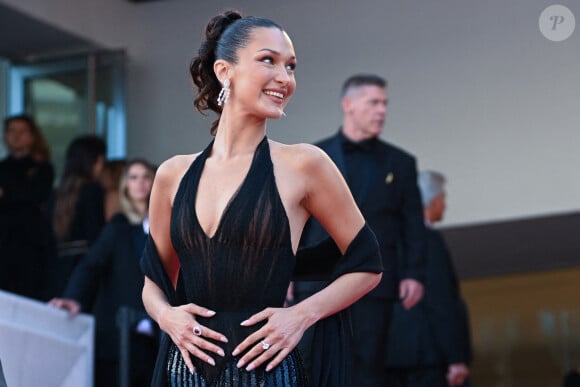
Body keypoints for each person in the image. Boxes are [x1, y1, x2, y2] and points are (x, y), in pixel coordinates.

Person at [140, 10, 383, 387]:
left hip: (266, 373)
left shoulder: (305, 164)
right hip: (184, 373)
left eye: (291, 66)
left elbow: (368, 264)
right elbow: (154, 281)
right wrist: (166, 316)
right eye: (268, 60)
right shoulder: (172, 175)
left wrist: (301, 315)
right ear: (225, 71)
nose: (284, 78)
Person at [293, 74, 427, 386]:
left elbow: (412, 224)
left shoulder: (401, 162)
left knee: (369, 370)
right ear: (348, 105)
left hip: (374, 280)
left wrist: (414, 273)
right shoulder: (313, 158)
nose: (382, 110)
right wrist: (287, 271)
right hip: (316, 282)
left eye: (384, 104)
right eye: (374, 103)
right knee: (312, 366)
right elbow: (295, 220)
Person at [49, 159, 159, 387]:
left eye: (145, 176)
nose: (140, 183)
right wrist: (73, 298)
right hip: (121, 332)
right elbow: (91, 266)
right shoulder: (117, 227)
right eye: (133, 177)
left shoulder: (166, 226)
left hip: (157, 333)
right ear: (125, 185)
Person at [385, 170, 472, 387]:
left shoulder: (388, 242)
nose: (444, 205)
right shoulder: (427, 241)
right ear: (432, 201)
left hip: (391, 354)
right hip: (426, 355)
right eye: (443, 198)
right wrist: (455, 357)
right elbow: (439, 301)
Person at [44, 134, 107, 299]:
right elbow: (96, 233)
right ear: (97, 161)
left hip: (58, 269)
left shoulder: (57, 193)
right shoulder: (92, 189)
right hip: (84, 268)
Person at [0, 114, 54, 300]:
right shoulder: (2, 167)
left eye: (22, 131)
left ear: (32, 136)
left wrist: (7, 193)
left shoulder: (43, 168)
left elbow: (36, 195)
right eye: (12, 131)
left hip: (31, 243)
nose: (16, 136)